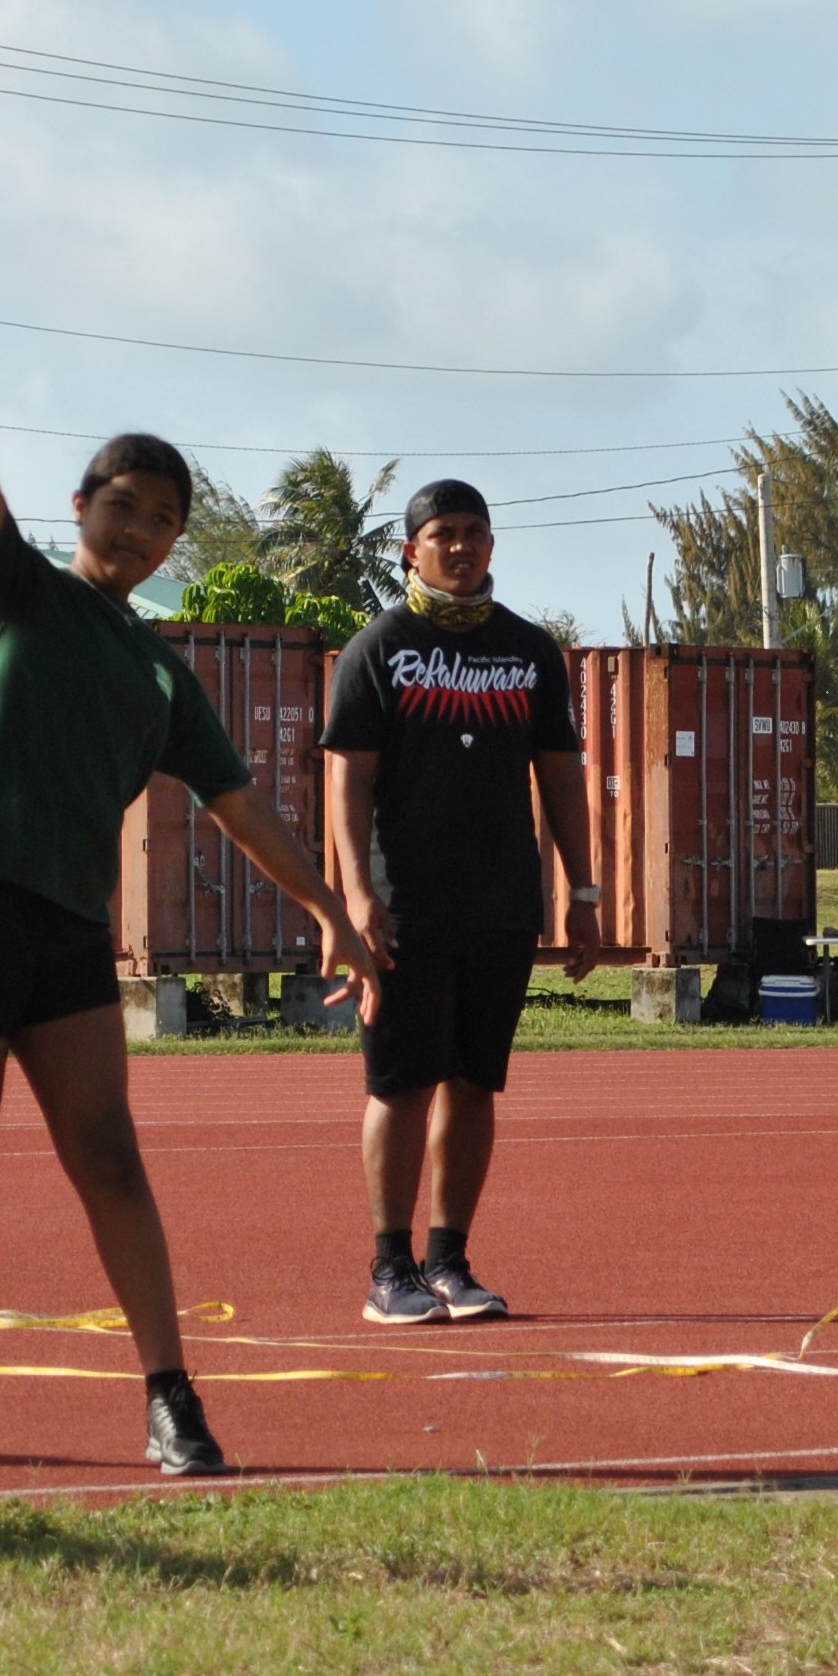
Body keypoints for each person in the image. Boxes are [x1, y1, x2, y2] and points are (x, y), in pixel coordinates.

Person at [0, 355, 378, 1478]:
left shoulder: (159, 673)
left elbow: (240, 805)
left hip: (68, 926)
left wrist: (329, 911)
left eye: (164, 521)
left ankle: (171, 1400)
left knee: (111, 1161)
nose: (139, 533)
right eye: (122, 507)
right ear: (82, 507)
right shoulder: (23, 590)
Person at [324, 479, 602, 1325]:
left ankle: (448, 1261)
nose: (461, 546)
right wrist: (357, 896)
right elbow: (349, 777)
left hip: (502, 902)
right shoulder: (379, 646)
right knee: (402, 1085)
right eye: (442, 533)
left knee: (475, 1083)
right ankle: (388, 1269)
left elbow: (559, 774)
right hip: (406, 904)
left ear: (492, 546)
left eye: (475, 532)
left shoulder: (530, 651)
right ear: (411, 549)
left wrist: (580, 892)